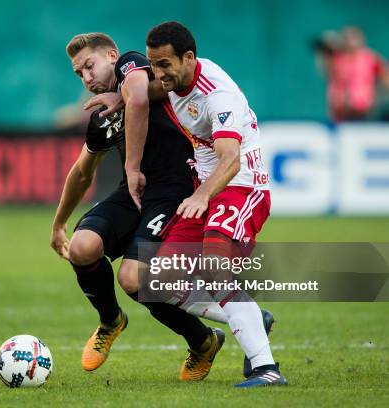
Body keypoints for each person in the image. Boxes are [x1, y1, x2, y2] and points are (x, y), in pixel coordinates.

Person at [120, 21, 286, 387]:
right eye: (153, 64)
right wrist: (116, 97)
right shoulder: (174, 81)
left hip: (240, 187)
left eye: (164, 64)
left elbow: (231, 159)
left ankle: (266, 369)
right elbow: (146, 91)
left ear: (189, 58)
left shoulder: (218, 94)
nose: (158, 73)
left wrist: (199, 195)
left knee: (214, 266)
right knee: (157, 281)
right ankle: (251, 316)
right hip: (205, 191)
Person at [50, 32, 225, 380]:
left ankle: (203, 341)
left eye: (90, 66)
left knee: (134, 279)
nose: (86, 77)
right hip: (133, 194)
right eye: (78, 73)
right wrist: (58, 224)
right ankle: (110, 321)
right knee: (82, 248)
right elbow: (82, 173)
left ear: (111, 56)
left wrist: (131, 167)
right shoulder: (102, 116)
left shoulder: (133, 67)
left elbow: (141, 98)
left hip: (173, 192)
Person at [323, 26, 389, 122]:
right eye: (347, 37)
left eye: (353, 37)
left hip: (362, 111)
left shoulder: (370, 58)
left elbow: (385, 76)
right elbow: (324, 66)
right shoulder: (336, 58)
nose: (350, 41)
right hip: (340, 111)